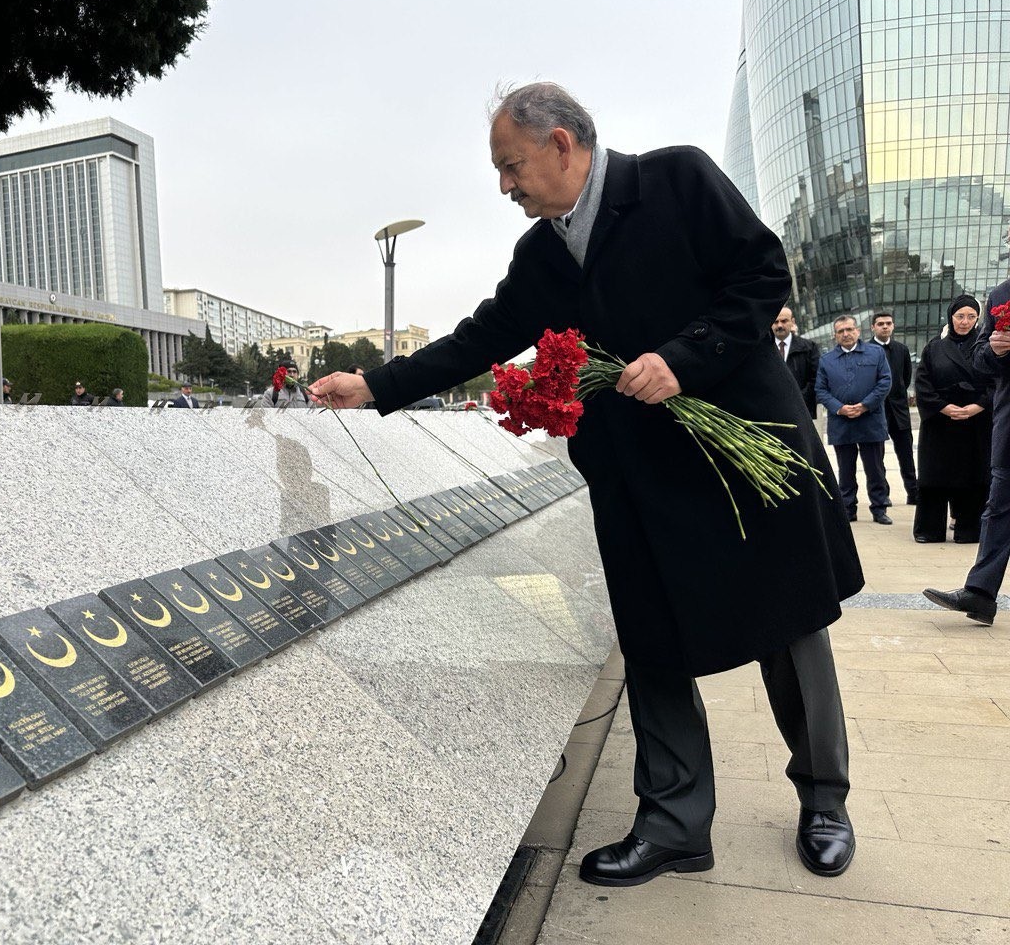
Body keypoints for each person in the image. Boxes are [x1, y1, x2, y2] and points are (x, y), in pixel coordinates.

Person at [309, 82, 861, 886]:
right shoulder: (541, 253)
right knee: (652, 638)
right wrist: (376, 384)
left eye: (512, 166)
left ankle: (823, 799)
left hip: (739, 454)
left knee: (789, 622)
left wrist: (684, 357)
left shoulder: (677, 181)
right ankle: (675, 820)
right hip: (634, 473)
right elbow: (485, 336)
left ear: (562, 144)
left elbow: (761, 273)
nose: (505, 186)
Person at [923, 276, 1010, 626]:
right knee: (998, 509)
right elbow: (981, 361)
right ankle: (980, 593)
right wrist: (996, 349)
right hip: (1009, 422)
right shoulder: (1001, 295)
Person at [912, 296, 992, 544]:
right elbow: (923, 384)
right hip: (940, 423)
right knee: (933, 477)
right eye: (960, 316)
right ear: (951, 317)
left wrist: (976, 407)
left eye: (971, 316)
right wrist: (945, 408)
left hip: (975, 423)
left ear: (978, 319)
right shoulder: (934, 347)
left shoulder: (986, 347)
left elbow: (996, 383)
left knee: (973, 478)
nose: (965, 322)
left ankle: (969, 530)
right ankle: (929, 529)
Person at [815, 316, 893, 525]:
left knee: (875, 468)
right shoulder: (826, 360)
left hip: (870, 420)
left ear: (858, 331)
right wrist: (839, 408)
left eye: (849, 329)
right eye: (840, 331)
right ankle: (847, 509)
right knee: (845, 469)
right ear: (834, 335)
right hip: (842, 423)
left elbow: (885, 382)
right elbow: (820, 390)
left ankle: (879, 508)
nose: (846, 334)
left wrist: (864, 405)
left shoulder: (875, 353)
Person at [871, 311, 919, 505]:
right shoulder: (865, 350)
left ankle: (913, 493)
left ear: (893, 326)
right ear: (873, 327)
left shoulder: (902, 349)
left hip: (899, 410)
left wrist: (897, 394)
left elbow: (905, 378)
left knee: (906, 454)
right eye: (880, 323)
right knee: (877, 457)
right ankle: (883, 495)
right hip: (875, 411)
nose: (885, 326)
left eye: (888, 323)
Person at [772, 306, 819, 418]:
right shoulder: (764, 351)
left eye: (784, 321)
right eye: (775, 322)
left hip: (804, 411)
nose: (779, 325)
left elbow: (815, 378)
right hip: (774, 411)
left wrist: (797, 399)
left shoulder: (808, 347)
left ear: (792, 322)